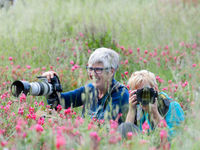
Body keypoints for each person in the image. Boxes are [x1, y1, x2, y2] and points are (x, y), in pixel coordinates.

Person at [42, 47, 129, 123]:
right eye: (90, 69)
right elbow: (58, 103)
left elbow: (103, 125)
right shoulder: (90, 89)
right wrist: (50, 85)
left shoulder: (120, 94)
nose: (92, 74)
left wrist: (67, 123)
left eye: (98, 70)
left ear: (111, 71)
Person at [118, 70, 184, 139]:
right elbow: (125, 135)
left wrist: (155, 114)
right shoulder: (137, 108)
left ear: (156, 89)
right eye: (139, 93)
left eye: (146, 91)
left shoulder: (171, 107)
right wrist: (131, 110)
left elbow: (174, 139)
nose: (143, 96)